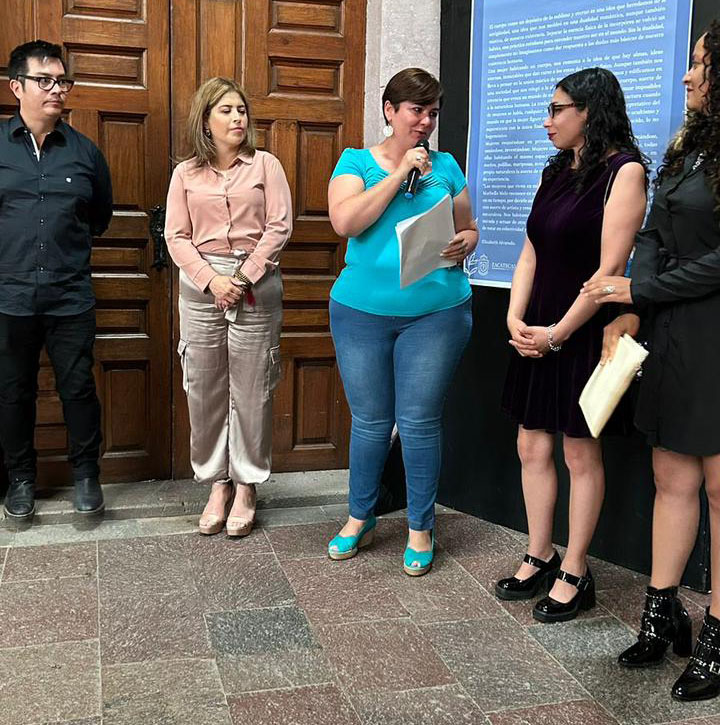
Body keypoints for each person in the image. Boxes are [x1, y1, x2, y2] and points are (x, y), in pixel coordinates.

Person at [584, 22, 720, 701]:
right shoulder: (689, 148)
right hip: (672, 334)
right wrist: (634, 303)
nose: (688, 75)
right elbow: (653, 236)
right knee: (671, 477)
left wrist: (639, 293)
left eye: (701, 64)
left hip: (715, 335)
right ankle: (662, 615)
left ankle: (719, 632)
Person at [497, 68, 648, 621]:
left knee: (580, 452)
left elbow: (609, 272)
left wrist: (558, 334)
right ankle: (539, 552)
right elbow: (530, 252)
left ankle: (576, 569)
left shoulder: (624, 172)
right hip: (538, 327)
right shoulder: (557, 169)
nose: (548, 120)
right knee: (531, 446)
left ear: (590, 111)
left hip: (586, 333)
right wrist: (515, 317)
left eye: (558, 108)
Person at [326, 68, 477, 576]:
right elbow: (346, 221)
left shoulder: (446, 166)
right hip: (361, 313)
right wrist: (398, 174)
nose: (426, 122)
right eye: (416, 110)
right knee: (370, 421)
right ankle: (360, 516)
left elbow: (469, 228)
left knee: (418, 422)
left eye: (433, 112)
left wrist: (465, 243)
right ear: (390, 110)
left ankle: (420, 527)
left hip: (436, 314)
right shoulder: (355, 162)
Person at [165, 77, 291, 537]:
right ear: (206, 120)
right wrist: (212, 280)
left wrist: (241, 277)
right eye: (226, 110)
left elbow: (279, 227)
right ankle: (217, 483)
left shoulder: (266, 165)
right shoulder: (185, 174)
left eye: (241, 110)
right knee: (204, 388)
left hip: (255, 284)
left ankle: (247, 485)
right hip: (202, 287)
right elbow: (176, 235)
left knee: (253, 388)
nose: (238, 118)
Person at [0, 40, 113, 519]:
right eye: (44, 80)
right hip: (9, 297)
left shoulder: (85, 152)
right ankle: (20, 479)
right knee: (13, 392)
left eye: (62, 81)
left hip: (70, 296)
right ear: (16, 87)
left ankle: (86, 475)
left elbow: (100, 216)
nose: (56, 90)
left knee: (78, 389)